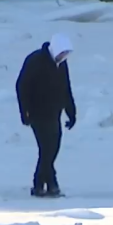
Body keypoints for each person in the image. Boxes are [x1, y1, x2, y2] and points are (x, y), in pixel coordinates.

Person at [16, 33, 77, 197]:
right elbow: (22, 86)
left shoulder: (61, 65)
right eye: (62, 53)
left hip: (54, 113)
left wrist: (71, 112)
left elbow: (66, 88)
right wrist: (25, 112)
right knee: (47, 149)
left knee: (52, 148)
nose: (64, 57)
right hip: (37, 113)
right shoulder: (35, 61)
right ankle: (42, 184)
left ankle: (48, 184)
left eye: (66, 54)